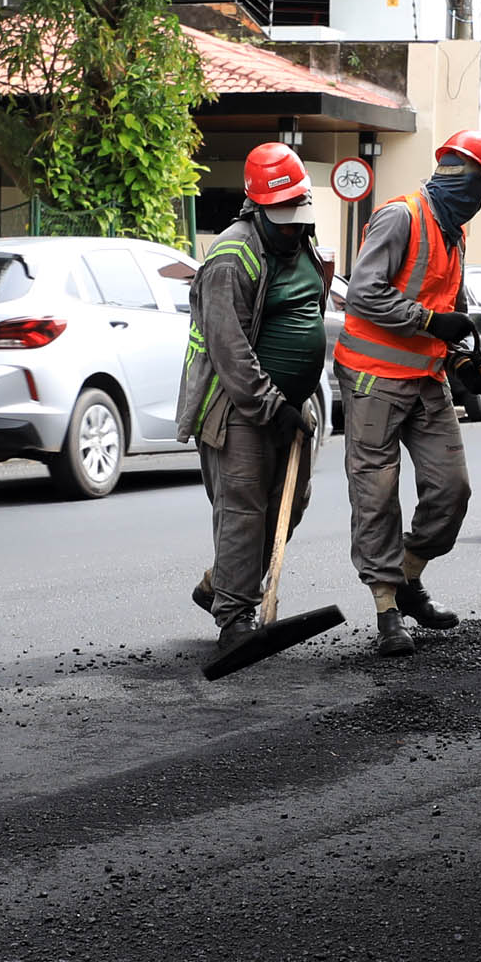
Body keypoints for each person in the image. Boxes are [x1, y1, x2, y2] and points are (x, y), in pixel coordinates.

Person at [338, 132, 481, 657]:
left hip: (426, 380)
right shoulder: (400, 217)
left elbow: (445, 318)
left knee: (451, 489)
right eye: (479, 188)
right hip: (373, 378)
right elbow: (364, 293)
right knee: (376, 494)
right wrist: (431, 320)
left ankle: (408, 577)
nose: (479, 201)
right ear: (459, 176)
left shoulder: (455, 235)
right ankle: (386, 610)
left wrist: (463, 360)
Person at [184, 143, 332, 648]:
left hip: (291, 405)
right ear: (258, 209)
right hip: (240, 406)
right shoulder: (231, 257)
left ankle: (221, 583)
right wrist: (273, 407)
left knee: (288, 507)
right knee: (244, 508)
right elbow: (231, 354)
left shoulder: (303, 245)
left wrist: (301, 401)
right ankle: (234, 618)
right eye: (285, 219)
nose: (294, 227)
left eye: (300, 217)